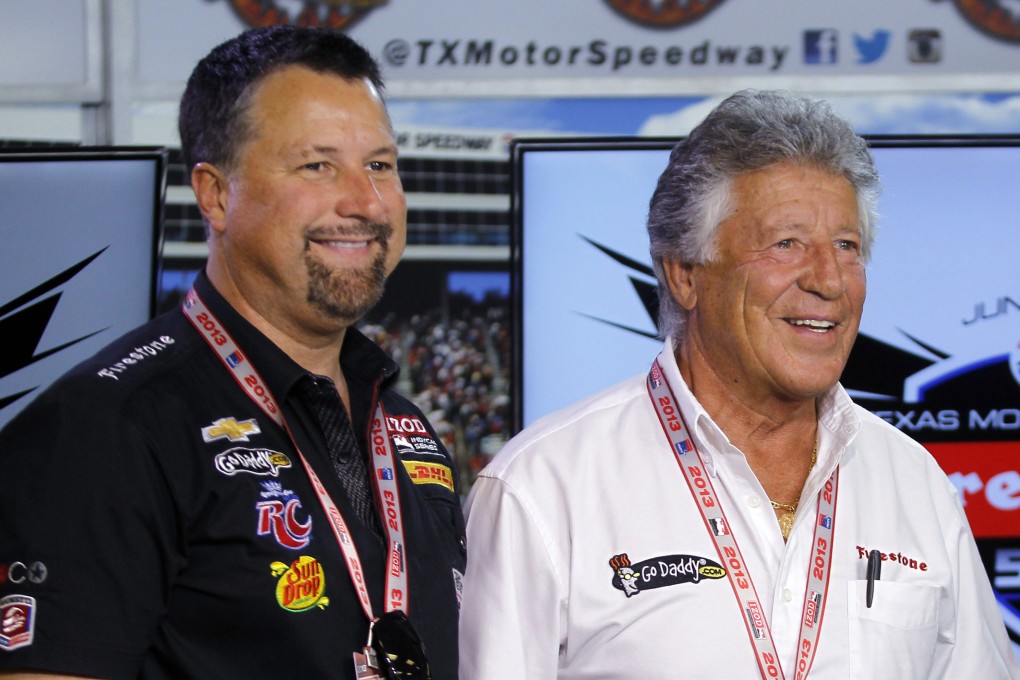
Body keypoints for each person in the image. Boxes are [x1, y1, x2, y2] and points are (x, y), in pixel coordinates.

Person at [458, 90, 1020, 679]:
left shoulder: (914, 482)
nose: (829, 280)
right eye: (786, 243)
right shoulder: (542, 489)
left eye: (847, 246)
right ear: (685, 274)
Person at [0, 26, 465, 679]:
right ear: (216, 194)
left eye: (381, 165)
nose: (365, 202)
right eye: (317, 165)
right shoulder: (108, 428)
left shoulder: (404, 426)